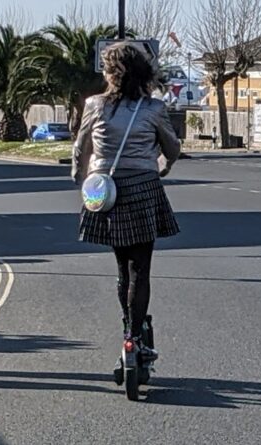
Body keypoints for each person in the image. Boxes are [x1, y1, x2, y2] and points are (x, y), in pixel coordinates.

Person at [72, 42, 180, 363]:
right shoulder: (154, 109)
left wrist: (81, 176)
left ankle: (127, 332)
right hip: (143, 187)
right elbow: (172, 147)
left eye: (106, 68)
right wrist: (165, 164)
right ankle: (137, 338)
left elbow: (80, 146)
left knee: (122, 267)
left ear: (112, 74)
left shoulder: (94, 105)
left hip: (107, 192)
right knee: (140, 270)